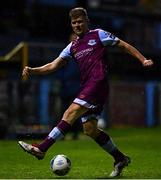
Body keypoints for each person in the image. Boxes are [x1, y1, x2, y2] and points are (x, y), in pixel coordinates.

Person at [18, 7, 154, 177]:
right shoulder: (72, 46)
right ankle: (120, 159)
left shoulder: (98, 34)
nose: (77, 25)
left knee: (70, 112)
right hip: (88, 87)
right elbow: (53, 65)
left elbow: (124, 45)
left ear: (86, 21)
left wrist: (143, 59)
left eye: (80, 21)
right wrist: (33, 70)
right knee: (90, 130)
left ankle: (41, 148)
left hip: (98, 83)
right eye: (74, 22)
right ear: (71, 24)